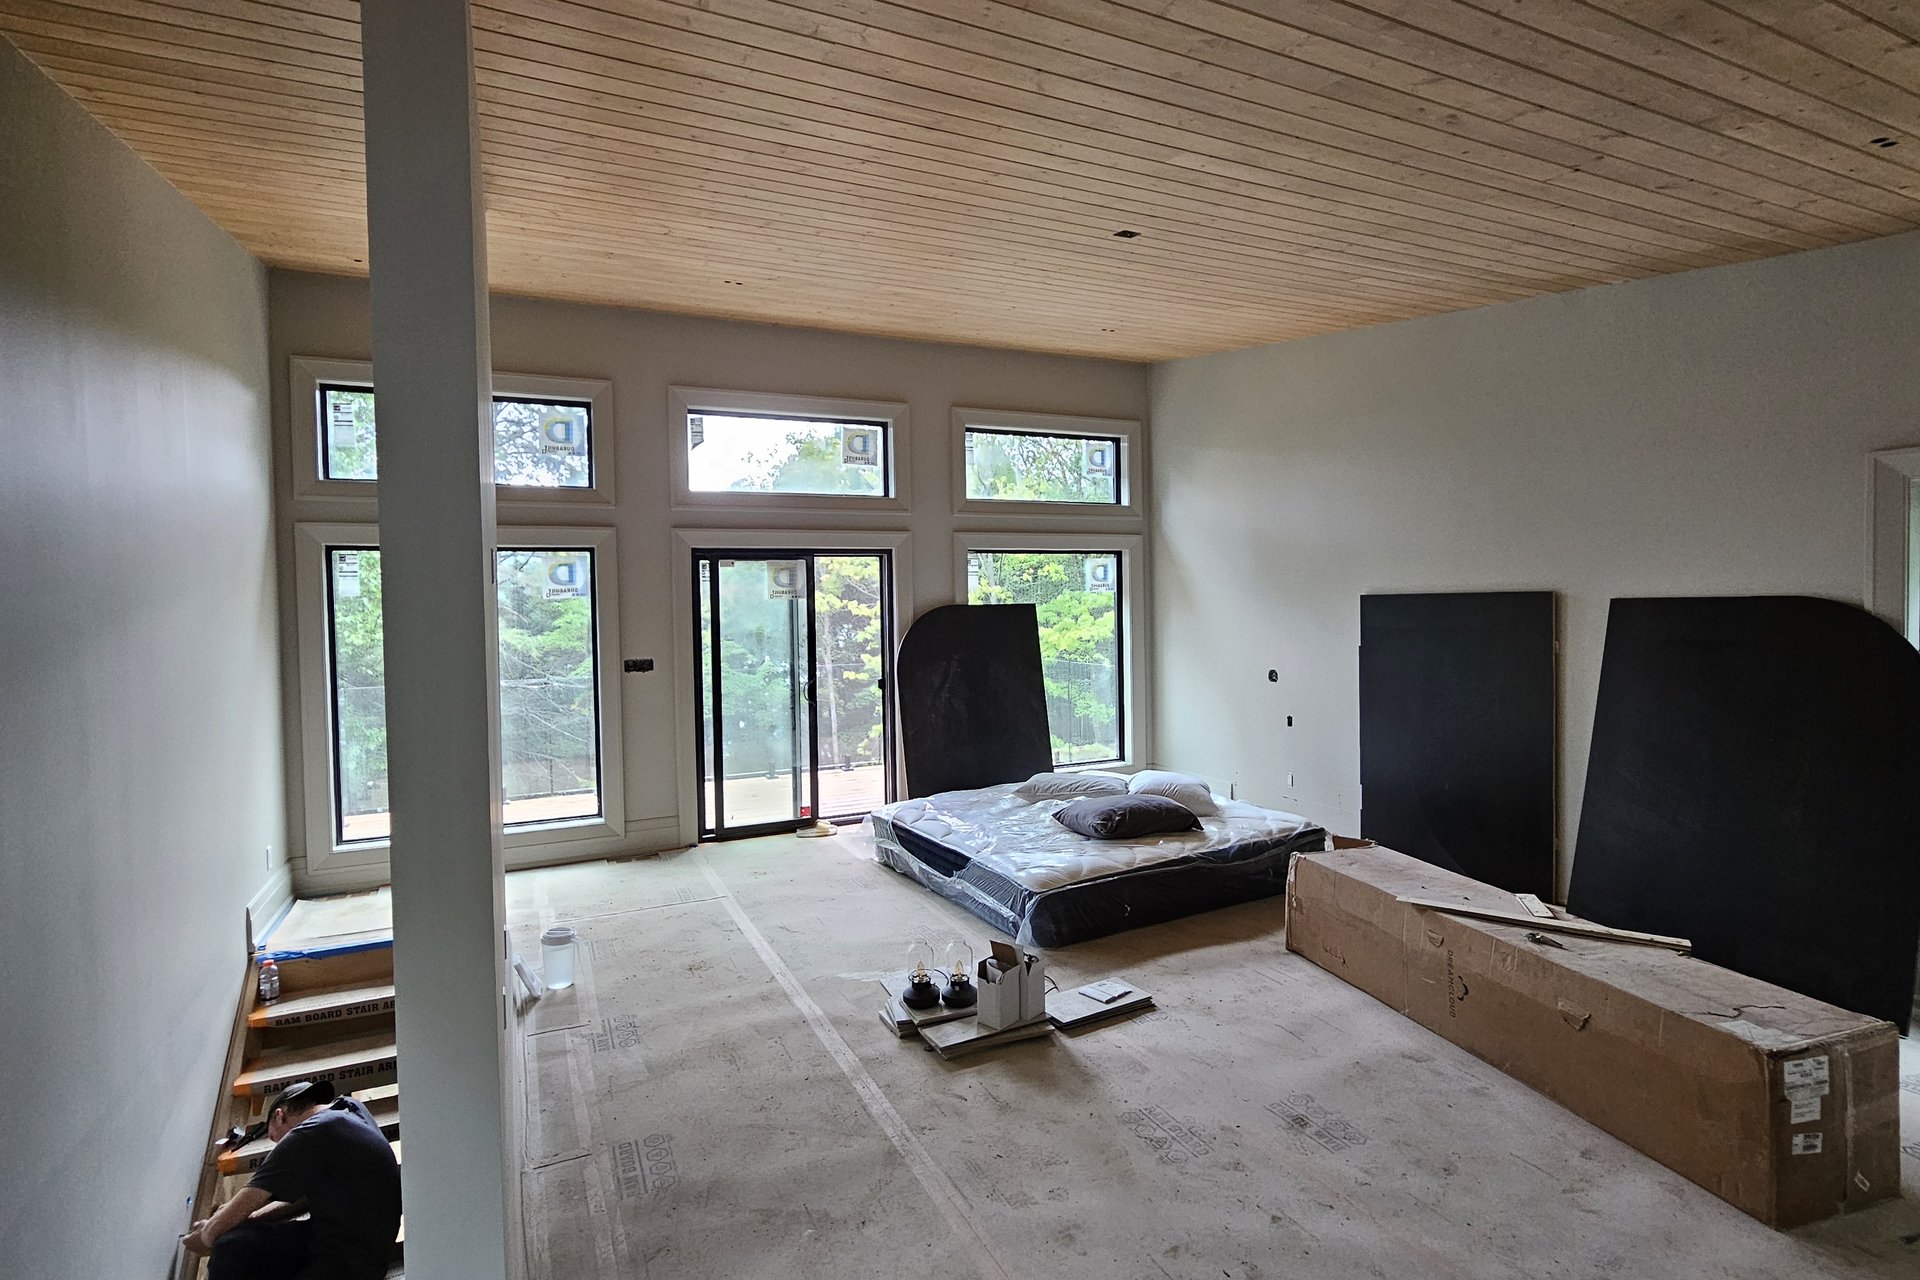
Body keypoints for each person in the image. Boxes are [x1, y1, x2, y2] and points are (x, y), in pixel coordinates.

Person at [184, 1079, 401, 1280]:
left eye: (274, 1138)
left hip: (349, 1263)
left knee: (225, 1248)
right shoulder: (350, 1109)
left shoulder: (308, 1134)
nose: (278, 1145)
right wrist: (244, 1218)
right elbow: (300, 1201)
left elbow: (240, 1206)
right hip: (345, 1241)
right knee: (234, 1245)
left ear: (280, 1115)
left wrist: (205, 1235)